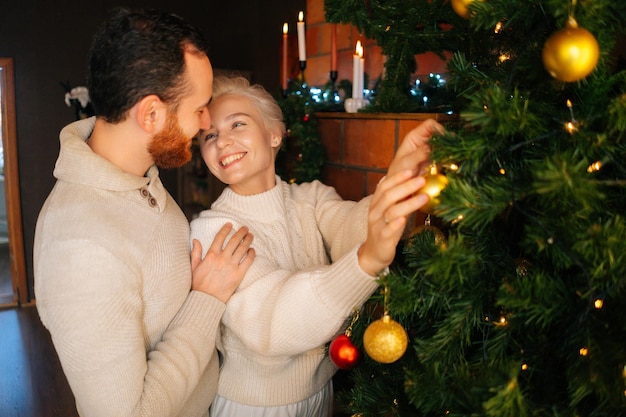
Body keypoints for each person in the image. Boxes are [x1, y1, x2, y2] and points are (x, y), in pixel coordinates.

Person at [33, 9, 255, 417]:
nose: (206, 122)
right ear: (150, 114)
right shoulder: (79, 247)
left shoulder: (139, 176)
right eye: (200, 108)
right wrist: (206, 300)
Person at [189, 75, 444, 416]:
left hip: (320, 393)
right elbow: (275, 320)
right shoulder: (212, 231)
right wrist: (366, 261)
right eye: (209, 136)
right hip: (253, 406)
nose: (222, 142)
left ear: (274, 134)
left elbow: (351, 227)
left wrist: (396, 179)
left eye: (237, 124)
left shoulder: (310, 197)